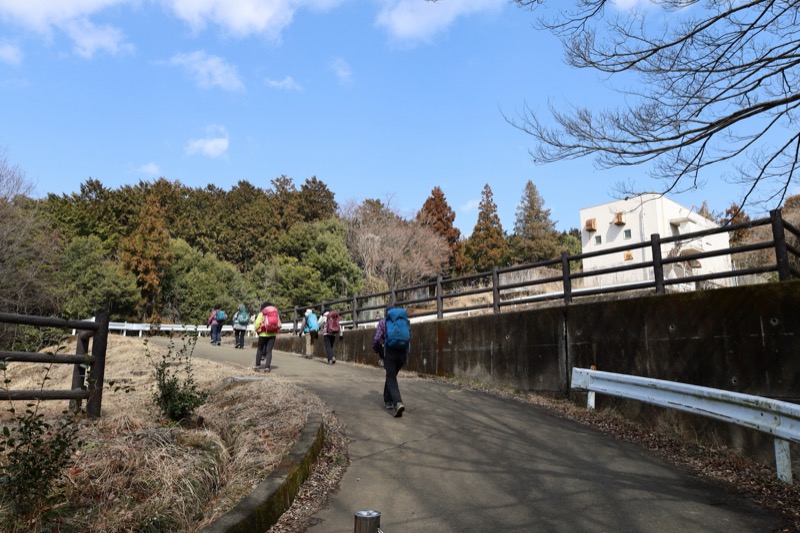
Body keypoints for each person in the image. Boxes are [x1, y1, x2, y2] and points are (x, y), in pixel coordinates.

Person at [373, 305, 409, 418]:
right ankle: (387, 400)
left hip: (390, 352)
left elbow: (377, 338)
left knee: (391, 377)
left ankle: (397, 402)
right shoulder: (404, 320)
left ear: (386, 314)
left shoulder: (383, 322)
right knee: (391, 375)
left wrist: (376, 349)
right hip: (403, 353)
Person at [253, 302, 281, 372]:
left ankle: (257, 366)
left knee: (260, 349)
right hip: (272, 334)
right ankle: (267, 367)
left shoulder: (261, 313)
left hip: (262, 334)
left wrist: (256, 329)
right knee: (269, 351)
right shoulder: (275, 314)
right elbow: (279, 325)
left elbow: (257, 324)